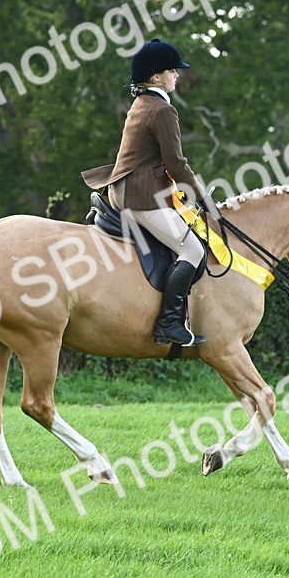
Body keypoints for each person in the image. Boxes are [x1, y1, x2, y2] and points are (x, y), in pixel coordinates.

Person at [81, 38, 211, 347]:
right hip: (139, 196)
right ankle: (168, 324)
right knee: (193, 251)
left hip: (123, 188)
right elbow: (177, 165)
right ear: (156, 76)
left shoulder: (143, 103)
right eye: (172, 71)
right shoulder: (162, 110)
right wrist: (201, 197)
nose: (177, 75)